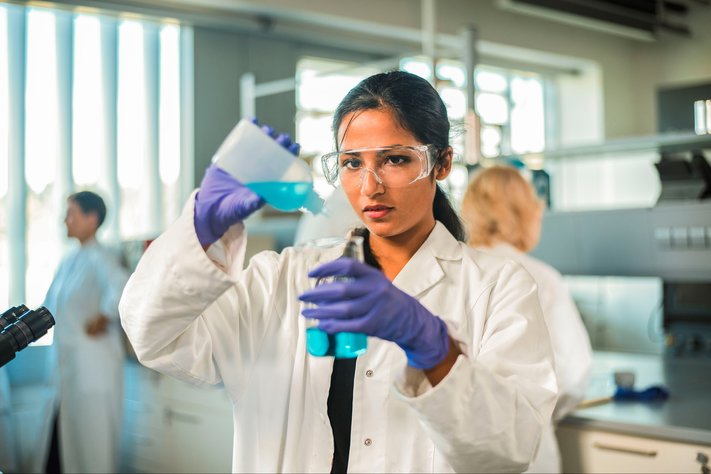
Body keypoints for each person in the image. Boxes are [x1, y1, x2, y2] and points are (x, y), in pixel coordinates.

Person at [119, 70, 558, 473]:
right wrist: (200, 226)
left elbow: (511, 450)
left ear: (440, 163)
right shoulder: (283, 279)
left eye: (395, 159)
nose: (370, 186)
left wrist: (433, 345)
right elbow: (153, 335)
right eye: (352, 163)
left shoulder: (496, 288)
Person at [461, 165, 593, 474]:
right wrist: (540, 411)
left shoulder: (449, 271)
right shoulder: (542, 278)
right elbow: (573, 375)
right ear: (526, 213)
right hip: (527, 452)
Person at [43, 191, 129, 473]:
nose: (65, 220)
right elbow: (48, 309)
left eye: (72, 214)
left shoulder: (103, 257)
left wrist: (103, 316)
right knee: (70, 446)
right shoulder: (68, 262)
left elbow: (122, 289)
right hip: (69, 370)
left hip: (94, 367)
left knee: (95, 448)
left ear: (92, 219)